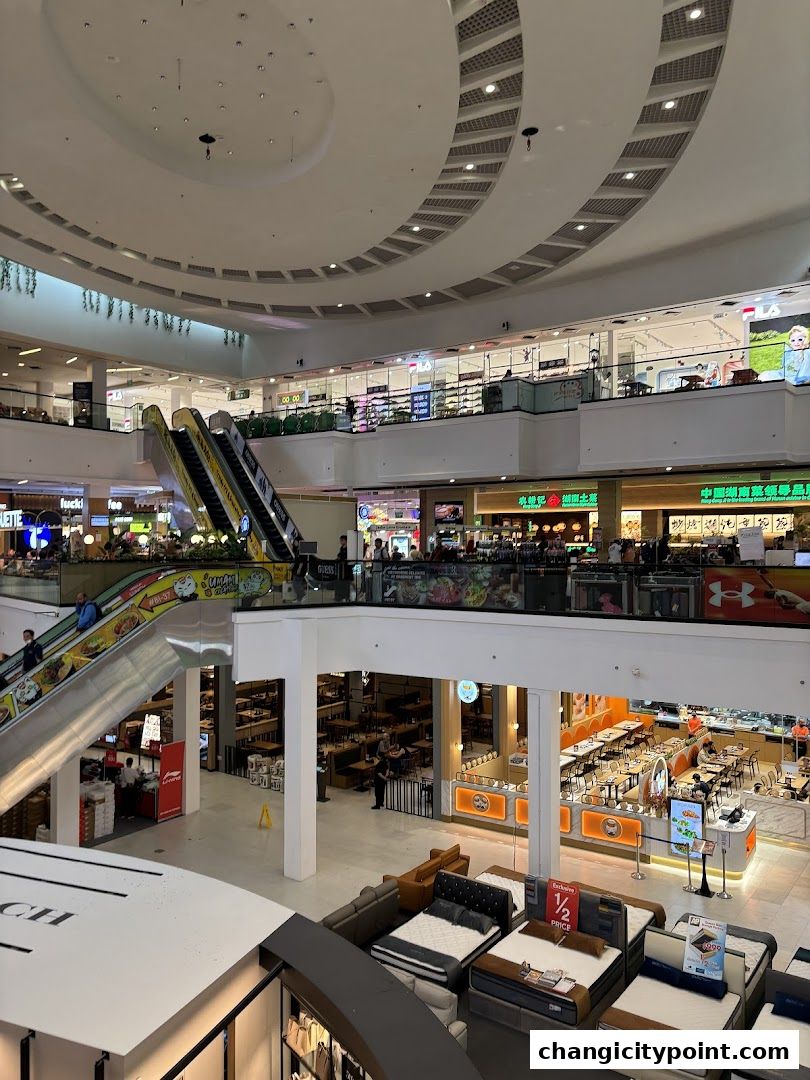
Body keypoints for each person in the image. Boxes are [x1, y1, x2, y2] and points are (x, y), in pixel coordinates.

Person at [335, 534, 350, 603]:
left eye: (342, 540)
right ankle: (340, 596)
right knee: (340, 582)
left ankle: (346, 596)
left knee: (346, 582)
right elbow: (339, 556)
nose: (341, 542)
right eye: (340, 540)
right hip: (341, 568)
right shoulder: (341, 548)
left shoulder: (348, 549)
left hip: (346, 568)